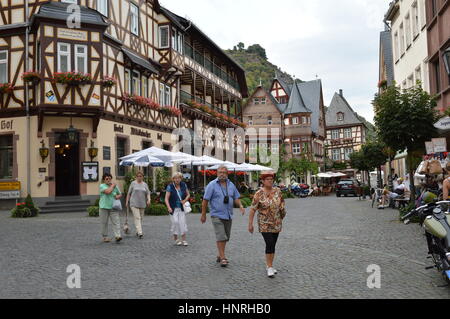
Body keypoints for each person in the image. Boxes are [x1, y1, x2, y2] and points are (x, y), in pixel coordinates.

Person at [201, 166, 246, 267]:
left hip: (228, 215)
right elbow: (205, 200)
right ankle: (223, 257)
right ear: (217, 173)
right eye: (220, 172)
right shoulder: (212, 185)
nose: (222, 174)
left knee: (226, 237)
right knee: (221, 236)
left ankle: (219, 254)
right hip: (216, 215)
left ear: (227, 174)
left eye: (224, 172)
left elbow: (236, 197)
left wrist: (241, 206)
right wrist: (203, 214)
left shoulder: (231, 185)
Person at [248, 172, 287, 278]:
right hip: (264, 223)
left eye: (271, 179)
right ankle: (269, 266)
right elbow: (252, 209)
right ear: (263, 181)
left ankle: (270, 265)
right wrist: (250, 224)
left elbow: (282, 204)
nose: (270, 180)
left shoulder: (278, 191)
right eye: (267, 179)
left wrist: (282, 215)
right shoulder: (259, 193)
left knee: (273, 244)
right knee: (269, 243)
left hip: (276, 222)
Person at [165, 172, 191, 246]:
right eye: (175, 178)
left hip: (181, 208)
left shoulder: (183, 185)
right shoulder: (170, 187)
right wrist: (168, 207)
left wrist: (184, 200)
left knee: (182, 223)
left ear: (181, 178)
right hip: (173, 209)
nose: (177, 179)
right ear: (173, 179)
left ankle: (184, 239)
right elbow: (166, 199)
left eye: (179, 178)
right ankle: (176, 238)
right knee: (175, 222)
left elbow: (188, 194)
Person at [126, 171, 151, 239]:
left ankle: (138, 230)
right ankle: (140, 232)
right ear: (136, 177)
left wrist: (149, 200)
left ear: (143, 177)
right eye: (138, 176)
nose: (139, 177)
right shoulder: (133, 183)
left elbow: (148, 193)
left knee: (141, 218)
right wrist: (126, 202)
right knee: (137, 218)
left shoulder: (145, 184)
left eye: (141, 176)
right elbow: (129, 193)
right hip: (134, 203)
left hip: (142, 204)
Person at [99, 173, 123, 243]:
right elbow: (108, 192)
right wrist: (113, 185)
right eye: (107, 179)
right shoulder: (102, 186)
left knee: (116, 221)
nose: (109, 180)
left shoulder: (115, 186)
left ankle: (118, 236)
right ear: (104, 180)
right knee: (104, 223)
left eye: (110, 178)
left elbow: (120, 194)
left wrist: (118, 196)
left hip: (113, 206)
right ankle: (105, 237)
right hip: (104, 207)